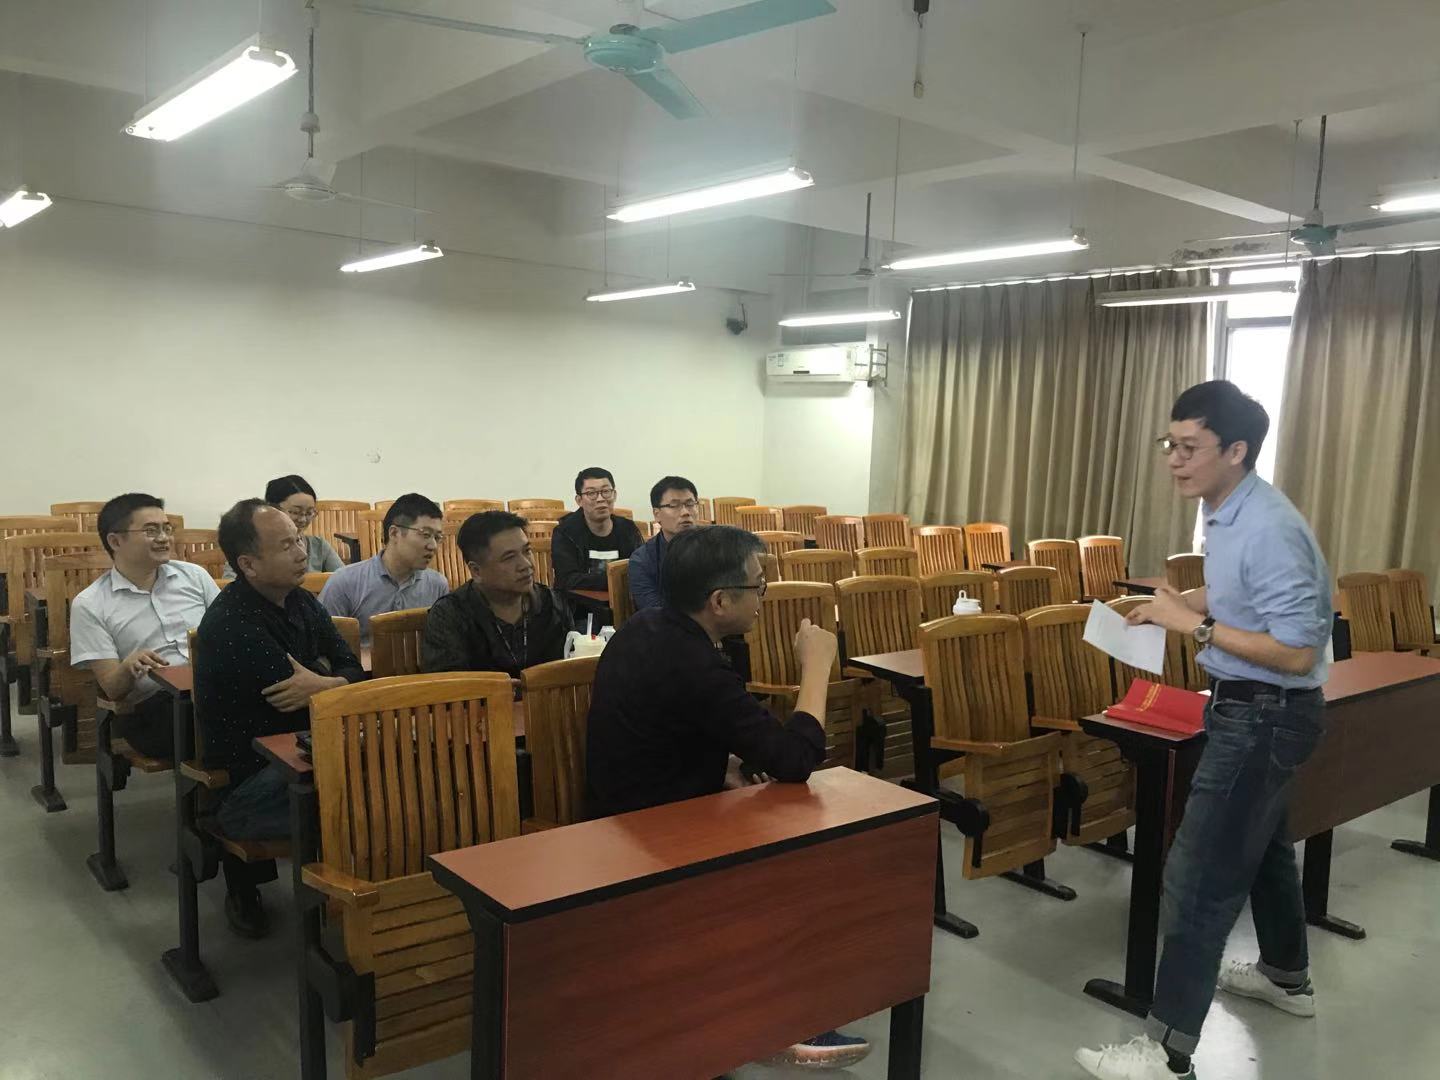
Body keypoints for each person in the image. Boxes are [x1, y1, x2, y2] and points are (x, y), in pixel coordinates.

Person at [1076, 380, 1331, 1080]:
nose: (1174, 460)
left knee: (1198, 877)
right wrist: (1179, 602)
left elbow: (1298, 651)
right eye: (1170, 444)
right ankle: (1286, 979)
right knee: (1264, 849)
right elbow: (1239, 591)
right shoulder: (1229, 511)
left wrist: (1197, 627)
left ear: (1237, 450)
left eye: (1190, 447)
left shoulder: (1268, 526)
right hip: (1256, 712)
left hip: (1265, 714)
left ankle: (1166, 1052)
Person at [585, 525, 870, 1070]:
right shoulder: (692, 662)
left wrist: (725, 765)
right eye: (757, 586)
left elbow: (673, 730)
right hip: (651, 834)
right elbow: (794, 761)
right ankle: (769, 1020)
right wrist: (816, 667)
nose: (763, 597)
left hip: (638, 808)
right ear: (719, 601)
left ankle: (758, 1006)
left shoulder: (649, 628)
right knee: (794, 857)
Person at [195, 499, 364, 938]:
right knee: (370, 806)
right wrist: (333, 684)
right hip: (250, 783)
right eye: (286, 545)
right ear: (248, 564)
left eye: (300, 540)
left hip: (308, 754)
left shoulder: (301, 601)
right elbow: (295, 697)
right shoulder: (232, 623)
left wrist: (326, 683)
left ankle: (365, 913)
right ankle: (348, 922)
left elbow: (350, 667)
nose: (301, 552)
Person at [69, 493, 220, 758]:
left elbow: (228, 631)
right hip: (153, 711)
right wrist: (129, 666)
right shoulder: (91, 604)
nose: (164, 538)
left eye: (167, 529)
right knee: (226, 721)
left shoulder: (194, 576)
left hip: (213, 688)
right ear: (115, 541)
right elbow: (112, 688)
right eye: (151, 531)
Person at [421, 511, 571, 677]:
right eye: (509, 557)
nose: (526, 564)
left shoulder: (553, 604)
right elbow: (449, 686)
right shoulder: (450, 616)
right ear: (476, 571)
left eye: (527, 551)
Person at [319, 493, 449, 645]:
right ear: (394, 533)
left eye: (437, 538)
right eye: (426, 535)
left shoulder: (437, 585)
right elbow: (323, 644)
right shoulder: (345, 582)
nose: (433, 546)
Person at [552, 467, 644, 623]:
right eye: (591, 493)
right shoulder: (565, 532)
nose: (600, 499)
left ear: (614, 494)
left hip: (624, 607)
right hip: (578, 613)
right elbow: (567, 579)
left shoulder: (628, 529)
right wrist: (614, 579)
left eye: (606, 491)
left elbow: (641, 569)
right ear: (579, 500)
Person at [628, 475, 701, 610]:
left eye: (690, 504)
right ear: (657, 514)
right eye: (674, 505)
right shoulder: (642, 560)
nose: (685, 512)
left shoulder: (716, 546)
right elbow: (654, 611)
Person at [264, 474, 344, 573]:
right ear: (272, 510)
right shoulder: (258, 549)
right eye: (295, 512)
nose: (303, 519)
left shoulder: (318, 546)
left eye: (309, 513)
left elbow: (345, 578)